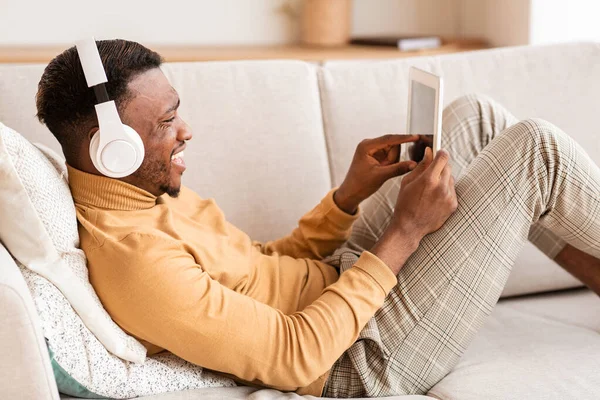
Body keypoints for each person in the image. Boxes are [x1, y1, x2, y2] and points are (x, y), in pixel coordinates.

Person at [35, 39, 600, 397]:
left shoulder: (146, 190)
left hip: (345, 284)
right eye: (166, 123)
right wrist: (405, 231)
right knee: (536, 150)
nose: (186, 133)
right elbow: (292, 354)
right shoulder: (137, 264)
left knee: (475, 117)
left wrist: (347, 197)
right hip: (364, 358)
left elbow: (263, 265)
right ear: (108, 148)